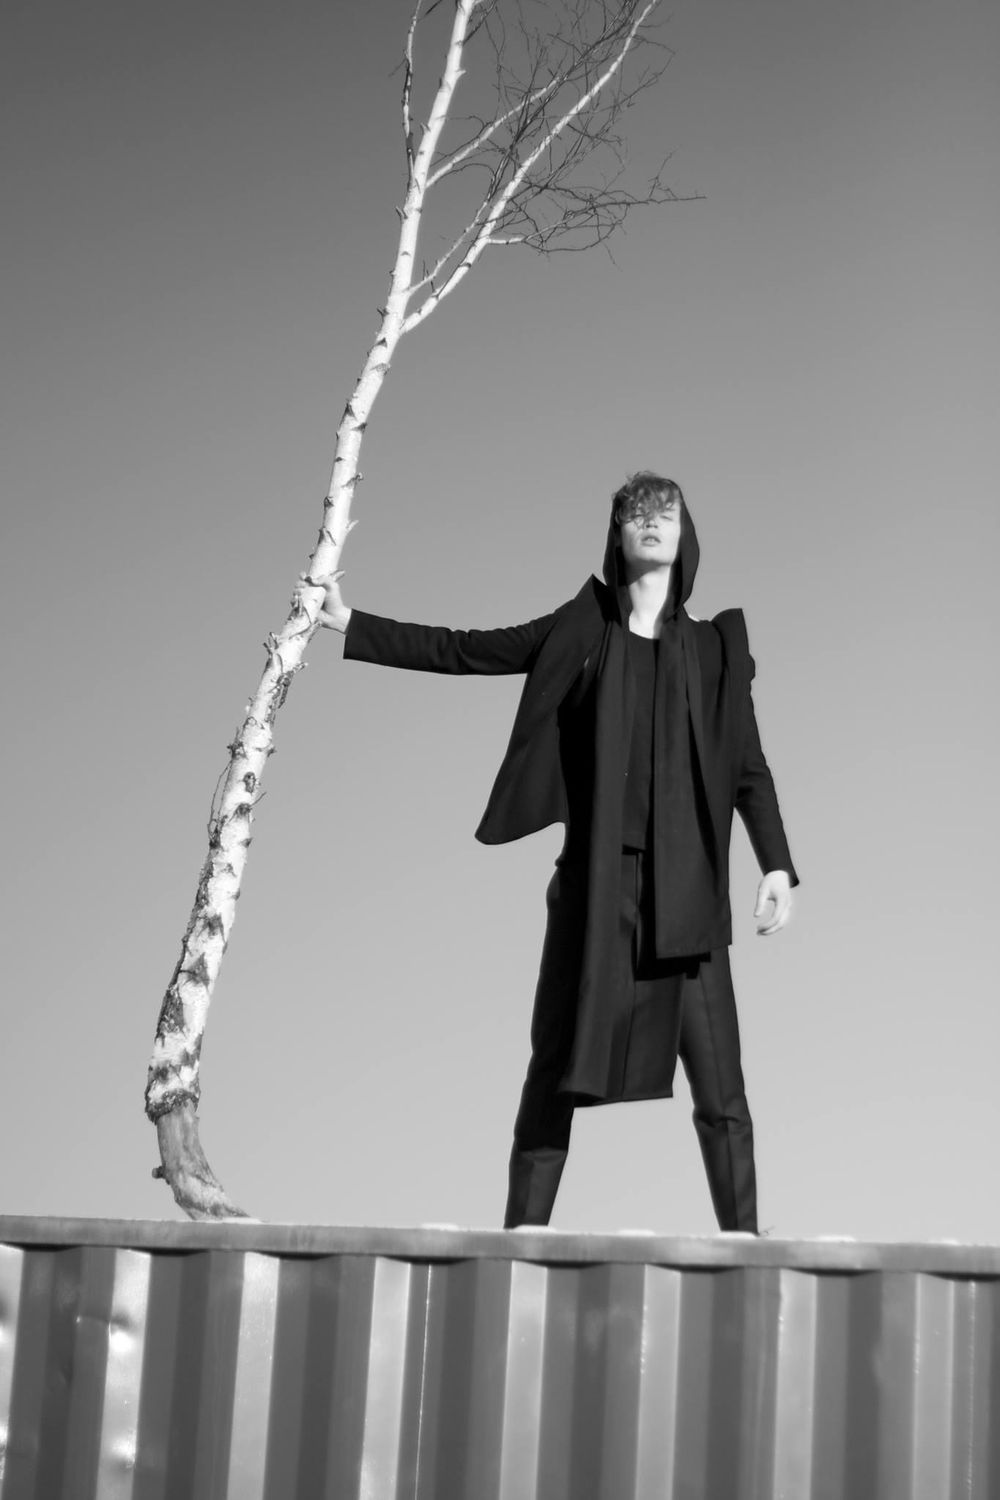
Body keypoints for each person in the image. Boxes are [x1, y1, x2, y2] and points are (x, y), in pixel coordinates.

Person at [306, 472, 798, 1232]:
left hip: (689, 894)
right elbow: (468, 650)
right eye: (636, 512)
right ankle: (519, 1247)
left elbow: (748, 767)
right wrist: (352, 624)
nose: (651, 521)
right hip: (598, 891)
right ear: (617, 536)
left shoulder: (715, 651)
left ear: (685, 534)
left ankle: (746, 1250)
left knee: (722, 1091)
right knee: (552, 1072)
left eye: (665, 512)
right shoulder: (582, 630)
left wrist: (775, 863)